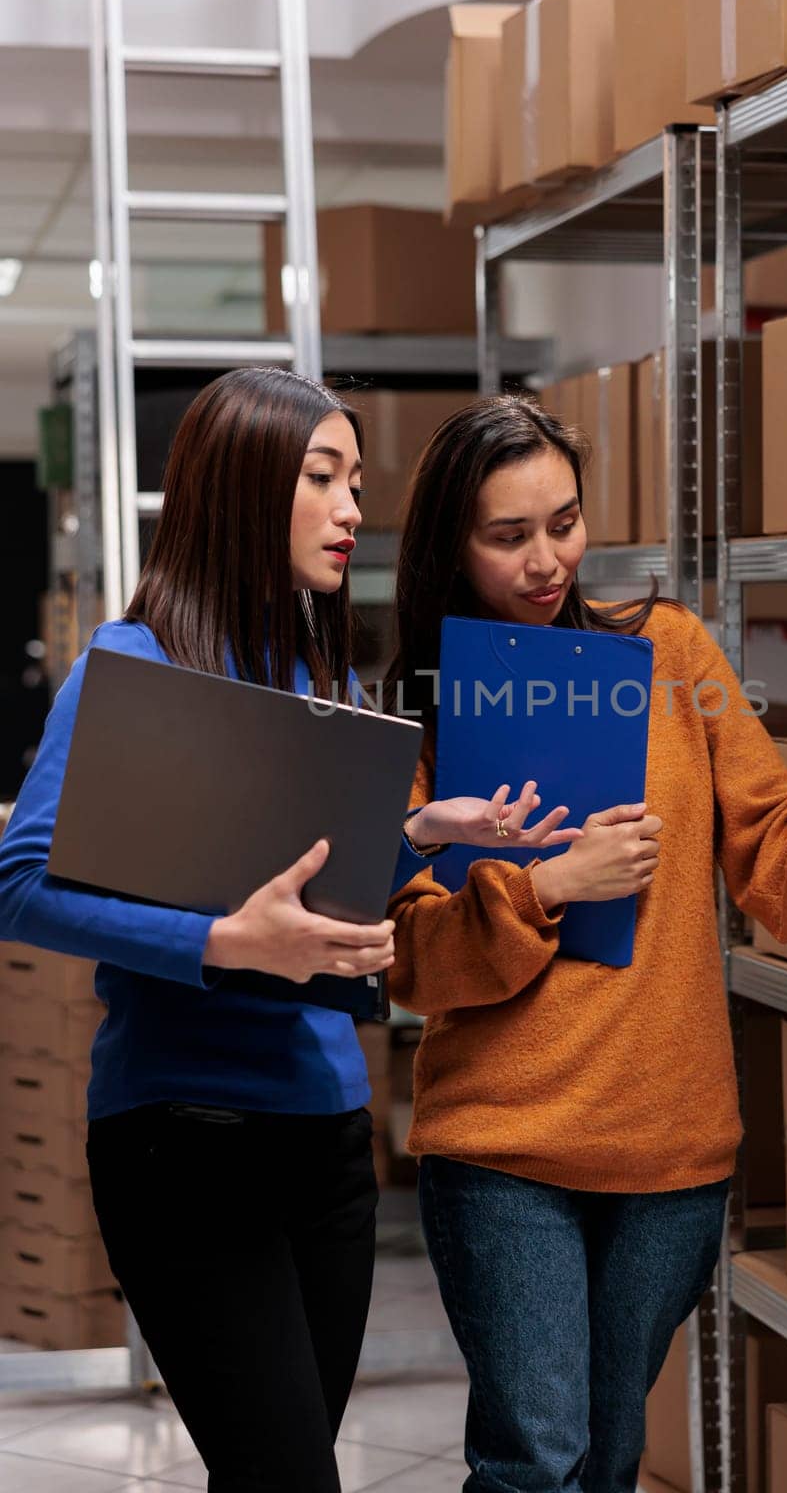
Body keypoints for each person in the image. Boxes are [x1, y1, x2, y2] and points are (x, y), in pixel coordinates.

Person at [382, 394, 787, 1493]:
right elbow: (411, 955)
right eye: (506, 536)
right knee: (535, 1463)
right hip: (503, 1146)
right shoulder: (427, 710)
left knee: (608, 1463)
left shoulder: (668, 652)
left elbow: (763, 824)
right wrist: (545, 887)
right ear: (448, 545)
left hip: (668, 1145)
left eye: (561, 522)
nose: (545, 558)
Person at [0, 369, 580, 1493]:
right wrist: (226, 944)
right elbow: (21, 883)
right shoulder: (131, 663)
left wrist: (411, 830)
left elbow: (314, 888)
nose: (352, 507)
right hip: (183, 1139)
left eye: (355, 480)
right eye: (323, 477)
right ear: (244, 486)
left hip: (325, 1139)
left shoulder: (317, 676)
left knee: (285, 1467)